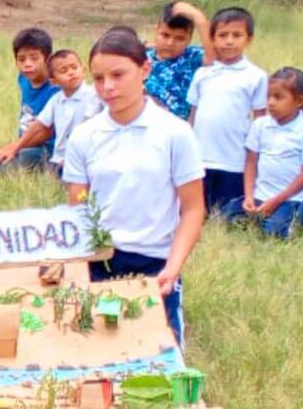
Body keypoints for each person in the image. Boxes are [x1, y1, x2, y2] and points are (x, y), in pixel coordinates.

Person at [63, 28, 205, 346]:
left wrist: (173, 267)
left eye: (118, 74)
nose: (108, 87)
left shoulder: (175, 133)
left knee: (161, 362)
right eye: (99, 78)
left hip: (155, 262)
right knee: (94, 356)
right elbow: (78, 207)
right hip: (100, 261)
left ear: (144, 69)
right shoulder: (85, 136)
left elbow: (194, 209)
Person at [222, 67, 303, 237]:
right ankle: (257, 216)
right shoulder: (260, 125)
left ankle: (295, 220)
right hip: (259, 195)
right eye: (268, 96)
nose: (270, 103)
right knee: (225, 217)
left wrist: (276, 201)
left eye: (278, 97)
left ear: (300, 101)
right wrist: (248, 196)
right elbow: (251, 162)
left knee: (274, 234)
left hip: (289, 199)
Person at [187, 7, 267, 211]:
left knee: (228, 213)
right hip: (200, 158)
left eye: (237, 35)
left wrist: (257, 159)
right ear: (212, 39)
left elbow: (260, 120)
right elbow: (193, 115)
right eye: (222, 35)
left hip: (234, 160)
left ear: (249, 39)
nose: (229, 41)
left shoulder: (256, 76)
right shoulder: (203, 74)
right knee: (197, 210)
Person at [0, 28, 59, 171]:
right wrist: (13, 147)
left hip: (46, 149)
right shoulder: (24, 79)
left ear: (48, 59)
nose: (27, 64)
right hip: (25, 144)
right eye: (21, 59)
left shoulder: (56, 90)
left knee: (2, 168)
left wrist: (14, 147)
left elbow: (46, 132)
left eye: (34, 58)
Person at [144, 1, 214, 120]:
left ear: (189, 38)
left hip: (183, 129)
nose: (170, 43)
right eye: (165, 35)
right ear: (156, 30)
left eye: (179, 38)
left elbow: (215, 58)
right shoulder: (141, 59)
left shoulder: (193, 57)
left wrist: (199, 19)